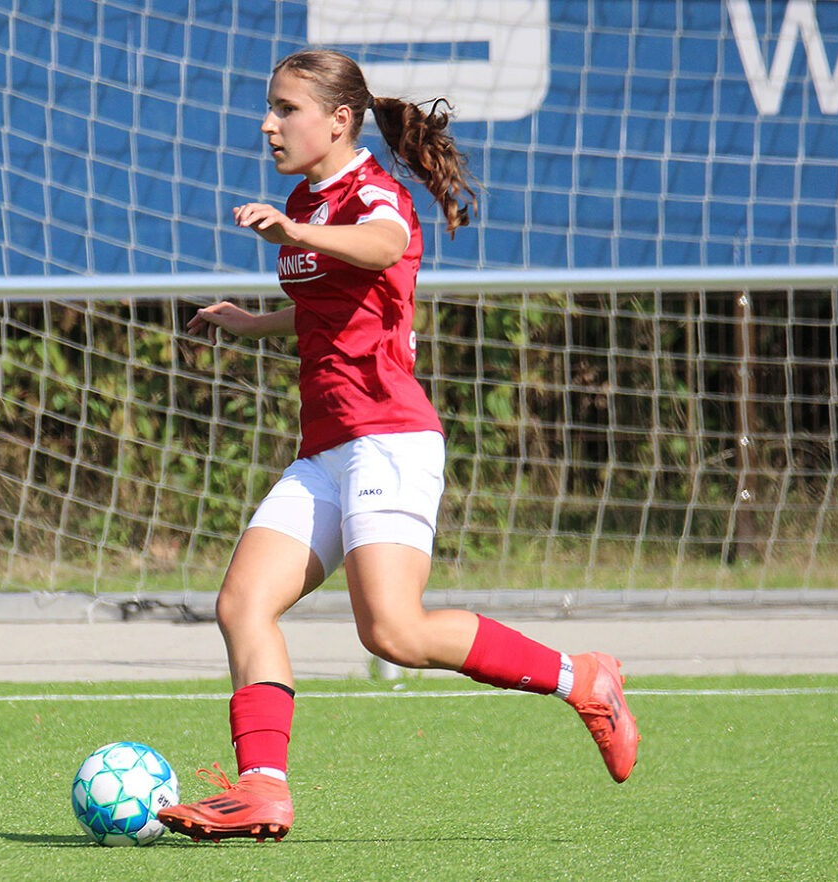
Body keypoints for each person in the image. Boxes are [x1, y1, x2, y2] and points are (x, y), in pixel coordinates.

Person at [156, 49, 639, 843]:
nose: (268, 123)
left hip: (388, 439)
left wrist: (295, 227)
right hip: (327, 448)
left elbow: (380, 248)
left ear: (338, 121)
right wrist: (256, 320)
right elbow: (335, 302)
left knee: (393, 631)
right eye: (270, 107)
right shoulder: (305, 199)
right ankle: (261, 790)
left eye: (286, 109)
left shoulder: (373, 192)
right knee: (243, 604)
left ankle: (581, 677)